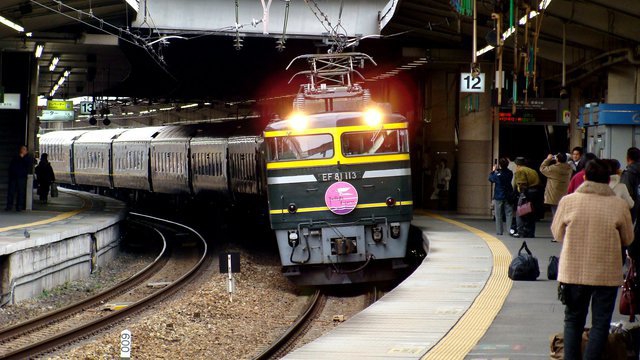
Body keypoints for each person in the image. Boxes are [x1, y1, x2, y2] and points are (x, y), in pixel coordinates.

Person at [551, 159, 633, 360]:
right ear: (608, 180)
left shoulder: (568, 201)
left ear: (584, 178)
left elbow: (557, 233)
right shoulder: (619, 204)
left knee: (572, 321)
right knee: (601, 322)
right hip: (606, 274)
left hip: (573, 273)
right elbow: (628, 238)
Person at [513, 157, 540, 238]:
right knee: (531, 213)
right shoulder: (533, 171)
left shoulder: (520, 171)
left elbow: (522, 184)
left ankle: (521, 231)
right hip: (535, 193)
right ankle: (530, 232)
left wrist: (521, 194)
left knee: (520, 212)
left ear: (517, 164)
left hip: (526, 193)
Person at [540, 152, 572, 217]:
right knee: (562, 213)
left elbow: (542, 168)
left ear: (557, 159)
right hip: (564, 193)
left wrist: (548, 159)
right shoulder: (569, 168)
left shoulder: (553, 168)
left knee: (556, 214)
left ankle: (557, 226)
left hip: (554, 195)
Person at [489, 158, 514, 236]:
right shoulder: (510, 173)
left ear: (499, 165)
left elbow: (491, 179)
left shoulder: (497, 174)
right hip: (508, 195)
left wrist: (493, 171)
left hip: (499, 195)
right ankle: (510, 230)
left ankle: (499, 231)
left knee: (498, 214)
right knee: (509, 213)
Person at [6, 146, 31, 212]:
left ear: (27, 151)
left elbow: (28, 165)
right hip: (14, 177)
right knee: (11, 192)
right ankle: (9, 206)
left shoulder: (28, 158)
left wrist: (22, 158)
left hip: (22, 177)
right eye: (22, 149)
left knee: (20, 192)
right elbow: (12, 165)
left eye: (24, 149)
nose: (22, 150)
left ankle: (19, 206)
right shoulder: (16, 157)